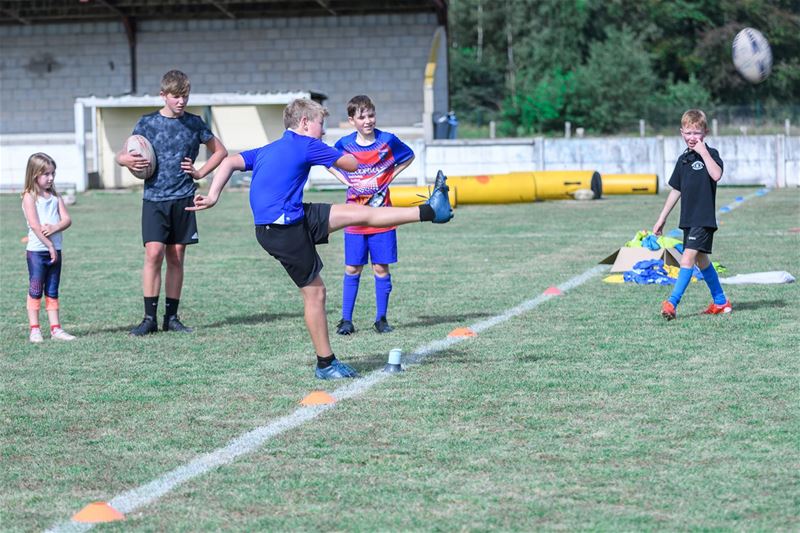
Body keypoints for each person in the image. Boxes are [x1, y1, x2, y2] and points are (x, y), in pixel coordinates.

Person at [188, 98, 453, 379]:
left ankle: (429, 210)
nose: (323, 131)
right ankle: (325, 363)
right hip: (283, 230)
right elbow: (350, 164)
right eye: (320, 125)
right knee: (315, 293)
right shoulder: (308, 144)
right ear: (304, 123)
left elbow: (229, 161)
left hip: (293, 217)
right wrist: (365, 152)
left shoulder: (270, 147)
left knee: (357, 213)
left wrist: (214, 195)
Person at [116, 69, 228, 335]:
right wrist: (127, 160)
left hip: (183, 197)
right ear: (163, 95)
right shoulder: (146, 123)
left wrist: (200, 172)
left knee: (176, 257)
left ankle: (172, 318)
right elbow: (123, 155)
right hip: (154, 198)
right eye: (176, 96)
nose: (181, 101)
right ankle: (148, 318)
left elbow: (221, 151)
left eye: (185, 96)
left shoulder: (194, 123)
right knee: (153, 254)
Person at [327, 95, 415, 336]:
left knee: (380, 268)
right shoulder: (344, 144)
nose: (367, 121)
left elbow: (409, 156)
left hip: (383, 215)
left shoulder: (388, 141)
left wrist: (390, 176)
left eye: (371, 115)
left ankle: (381, 319)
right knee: (352, 268)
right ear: (352, 120)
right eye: (362, 117)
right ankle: (346, 320)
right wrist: (344, 179)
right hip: (354, 216)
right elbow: (329, 162)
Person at [653, 109, 731, 320]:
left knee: (687, 259)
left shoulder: (711, 154)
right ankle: (721, 301)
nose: (692, 137)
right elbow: (676, 190)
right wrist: (662, 217)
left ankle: (672, 303)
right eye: (688, 133)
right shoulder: (683, 160)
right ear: (681, 133)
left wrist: (704, 152)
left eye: (696, 133)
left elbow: (716, 175)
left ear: (705, 132)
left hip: (703, 219)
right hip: (688, 219)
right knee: (701, 261)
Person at [21, 153, 76, 342]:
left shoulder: (54, 196)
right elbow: (35, 226)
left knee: (52, 290)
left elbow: (67, 219)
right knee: (36, 289)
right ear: (34, 174)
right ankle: (35, 329)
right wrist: (50, 246)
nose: (51, 178)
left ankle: (56, 329)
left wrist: (55, 227)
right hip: (37, 252)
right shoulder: (29, 197)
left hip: (55, 251)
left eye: (53, 173)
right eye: (46, 174)